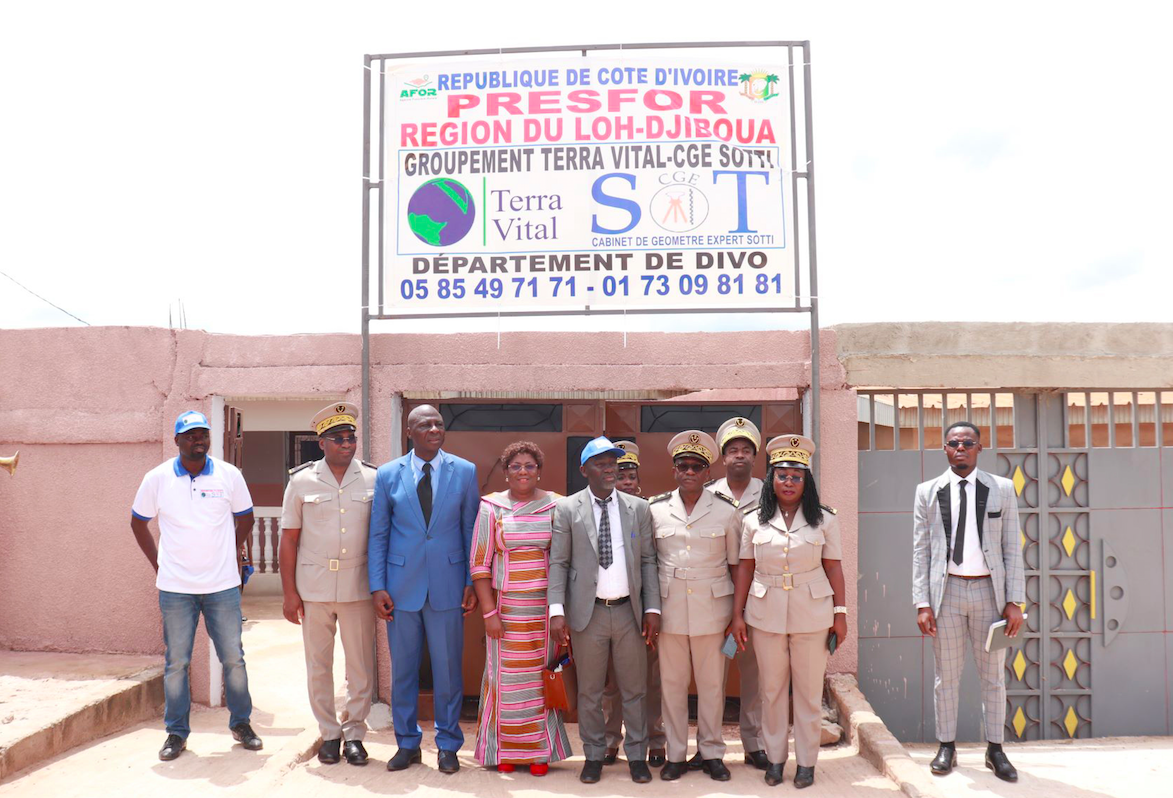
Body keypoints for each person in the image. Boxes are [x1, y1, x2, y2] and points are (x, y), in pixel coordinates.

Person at [130, 410, 263, 761]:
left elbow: (246, 517)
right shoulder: (157, 479)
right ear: (177, 441)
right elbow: (138, 523)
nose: (198, 440)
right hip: (175, 588)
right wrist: (159, 564)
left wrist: (228, 550)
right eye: (190, 435)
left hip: (222, 586)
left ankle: (242, 724)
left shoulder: (228, 475)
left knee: (233, 658)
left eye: (202, 433)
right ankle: (176, 733)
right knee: (177, 662)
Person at [728, 435, 846, 788]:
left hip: (812, 614)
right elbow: (745, 569)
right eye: (782, 475)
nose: (789, 482)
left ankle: (807, 763)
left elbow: (834, 567)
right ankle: (776, 760)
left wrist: (840, 613)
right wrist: (738, 615)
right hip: (765, 613)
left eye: (796, 476)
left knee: (809, 693)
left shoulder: (824, 520)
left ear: (805, 481)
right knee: (772, 691)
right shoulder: (753, 520)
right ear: (772, 480)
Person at [368, 404, 479, 774]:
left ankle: (448, 745)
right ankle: (407, 743)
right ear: (410, 433)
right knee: (403, 671)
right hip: (400, 589)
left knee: (449, 670)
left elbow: (470, 532)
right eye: (425, 424)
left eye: (439, 424)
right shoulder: (387, 474)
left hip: (448, 585)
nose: (434, 428)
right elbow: (379, 533)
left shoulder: (464, 471)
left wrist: (471, 582)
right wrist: (377, 586)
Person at [913, 421, 1024, 782]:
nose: (960, 448)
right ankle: (946, 746)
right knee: (947, 676)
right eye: (953, 443)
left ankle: (995, 750)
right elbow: (921, 551)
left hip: (990, 594)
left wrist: (1014, 601)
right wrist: (922, 603)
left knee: (993, 677)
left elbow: (1011, 548)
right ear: (944, 449)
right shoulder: (927, 491)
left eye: (968, 443)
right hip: (946, 595)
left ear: (979, 447)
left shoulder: (1002, 489)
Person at [548, 436, 661, 785]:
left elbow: (647, 561)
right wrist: (556, 610)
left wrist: (653, 607)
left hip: (629, 612)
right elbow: (559, 562)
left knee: (635, 689)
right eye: (600, 462)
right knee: (590, 691)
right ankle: (594, 754)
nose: (609, 467)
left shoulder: (637, 508)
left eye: (612, 461)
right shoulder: (567, 509)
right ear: (584, 470)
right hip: (588, 613)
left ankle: (637, 756)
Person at [278, 402, 378, 766]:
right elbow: (289, 539)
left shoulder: (372, 478)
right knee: (318, 664)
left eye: (351, 437)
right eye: (338, 438)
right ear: (322, 443)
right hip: (314, 587)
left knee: (360, 666)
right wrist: (290, 593)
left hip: (358, 586)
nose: (347, 444)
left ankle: (354, 733)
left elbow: (380, 535)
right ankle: (329, 733)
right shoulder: (301, 480)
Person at [469, 441, 572, 775]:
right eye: (516, 466)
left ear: (539, 470)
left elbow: (565, 560)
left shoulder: (557, 506)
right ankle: (505, 753)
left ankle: (540, 753)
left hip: (544, 613)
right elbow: (479, 565)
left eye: (529, 465)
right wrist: (489, 614)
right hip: (506, 612)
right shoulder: (491, 508)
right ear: (506, 471)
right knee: (505, 683)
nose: (523, 471)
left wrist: (560, 611)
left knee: (541, 679)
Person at [649, 431, 741, 782]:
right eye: (683, 466)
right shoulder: (655, 509)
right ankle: (675, 754)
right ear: (674, 470)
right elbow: (649, 564)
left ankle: (712, 752)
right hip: (670, 611)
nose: (689, 472)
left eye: (696, 466)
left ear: (707, 473)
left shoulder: (726, 512)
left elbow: (736, 566)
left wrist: (737, 615)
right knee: (671, 686)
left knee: (712, 687)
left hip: (713, 611)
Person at [704, 416, 768, 770]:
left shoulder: (771, 490)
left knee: (753, 672)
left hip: (757, 598)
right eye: (733, 450)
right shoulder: (709, 493)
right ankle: (708, 746)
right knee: (712, 675)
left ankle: (753, 743)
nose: (739, 456)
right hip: (715, 597)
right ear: (723, 457)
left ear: (754, 457)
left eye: (745, 450)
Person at [603, 441, 667, 767]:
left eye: (631, 475)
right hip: (612, 609)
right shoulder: (599, 510)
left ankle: (656, 740)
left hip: (644, 611)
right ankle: (610, 740)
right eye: (619, 475)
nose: (626, 481)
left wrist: (653, 609)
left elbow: (653, 563)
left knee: (650, 681)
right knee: (613, 681)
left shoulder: (650, 511)